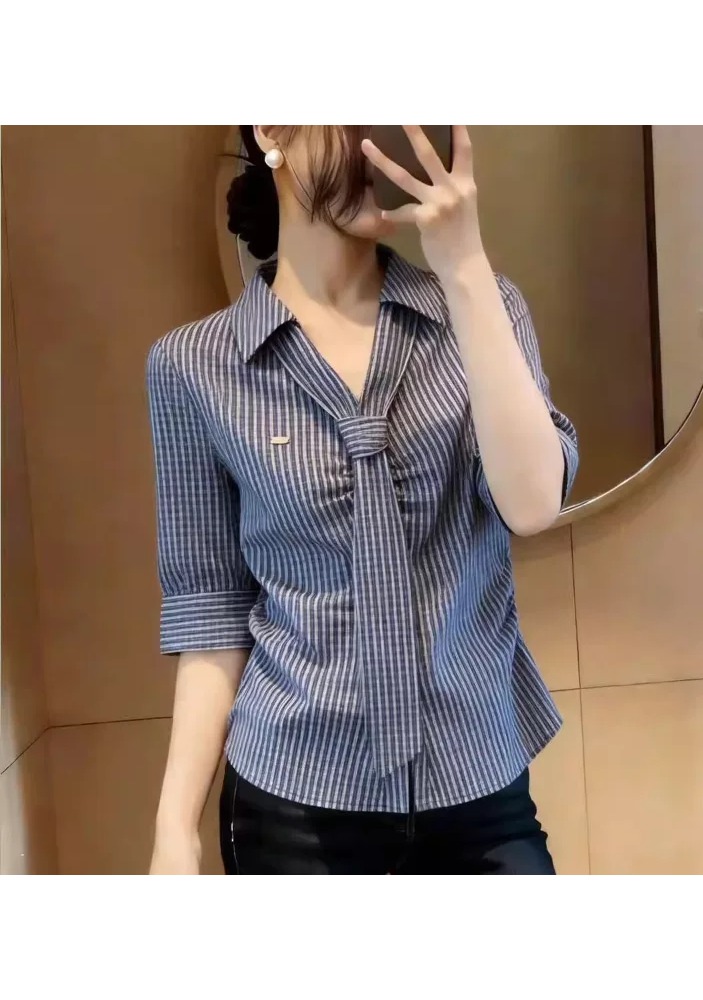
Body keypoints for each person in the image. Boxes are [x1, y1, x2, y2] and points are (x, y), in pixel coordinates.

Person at [147, 125, 578, 875]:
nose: (385, 147)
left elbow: (533, 504)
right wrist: (174, 828)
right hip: (292, 802)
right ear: (272, 127)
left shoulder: (484, 309)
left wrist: (465, 268)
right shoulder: (193, 366)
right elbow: (211, 612)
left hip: (479, 787)